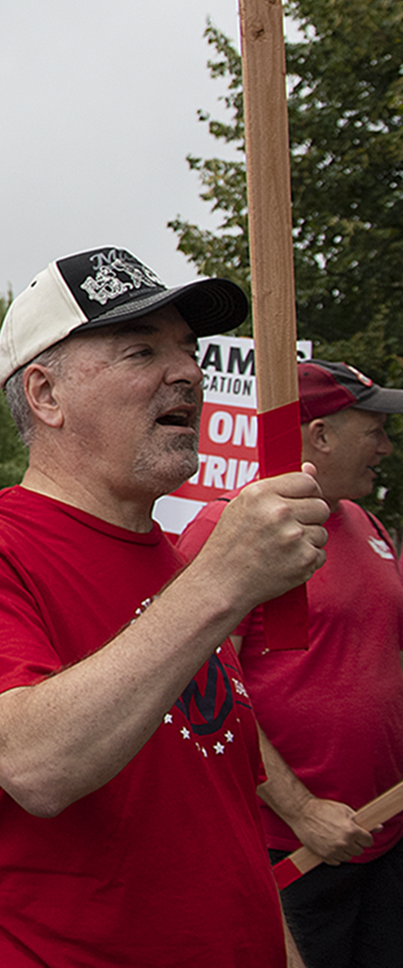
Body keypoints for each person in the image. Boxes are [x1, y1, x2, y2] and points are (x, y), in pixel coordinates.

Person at [0, 246, 331, 967]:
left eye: (189, 350)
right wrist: (220, 582)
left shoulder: (177, 566)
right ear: (45, 395)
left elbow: (220, 810)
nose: (189, 373)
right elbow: (36, 765)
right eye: (142, 349)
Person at [178, 358, 403, 967]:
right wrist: (303, 812)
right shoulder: (229, 531)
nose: (385, 446)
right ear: (321, 435)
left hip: (384, 835)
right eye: (373, 429)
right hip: (292, 850)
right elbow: (204, 693)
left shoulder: (365, 523)